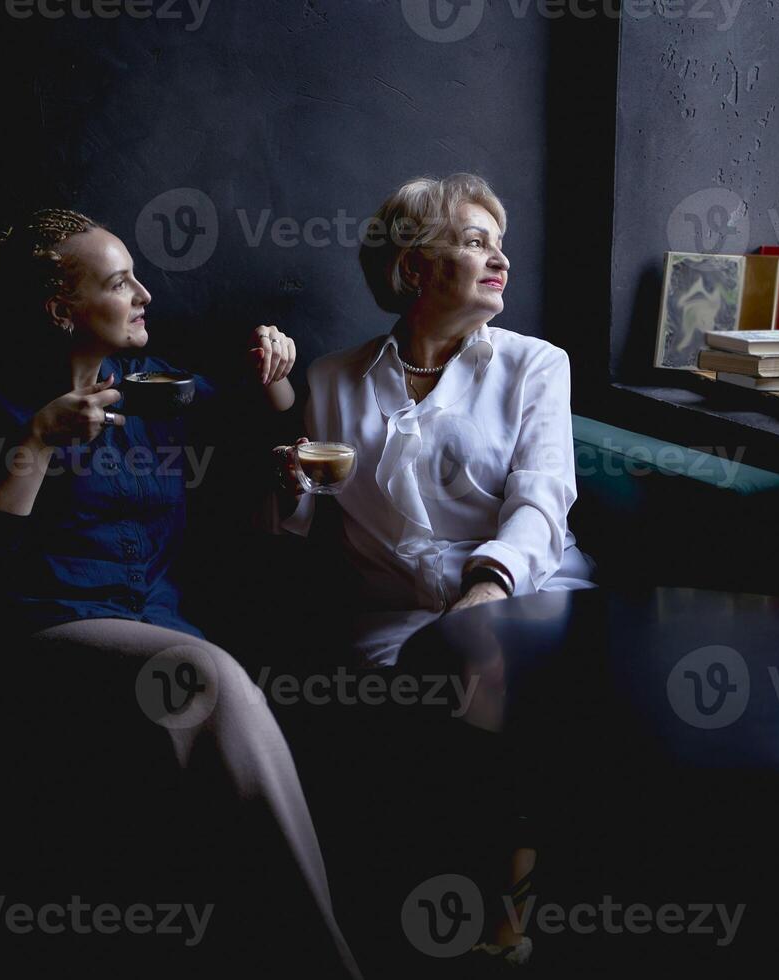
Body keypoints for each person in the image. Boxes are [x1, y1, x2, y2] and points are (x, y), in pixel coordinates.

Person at [0, 208, 360, 978]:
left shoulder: (154, 390)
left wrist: (275, 381)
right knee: (208, 674)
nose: (146, 293)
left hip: (159, 626)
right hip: (48, 632)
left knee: (205, 680)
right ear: (60, 310)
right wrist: (37, 446)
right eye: (120, 283)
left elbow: (261, 423)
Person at [274, 174, 597, 968]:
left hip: (529, 591)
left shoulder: (535, 365)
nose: (502, 260)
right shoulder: (330, 381)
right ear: (414, 269)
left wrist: (486, 593)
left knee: (497, 679)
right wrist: (287, 491)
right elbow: (300, 522)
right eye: (476, 242)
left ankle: (506, 915)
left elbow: (543, 500)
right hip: (399, 613)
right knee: (433, 696)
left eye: (501, 243)